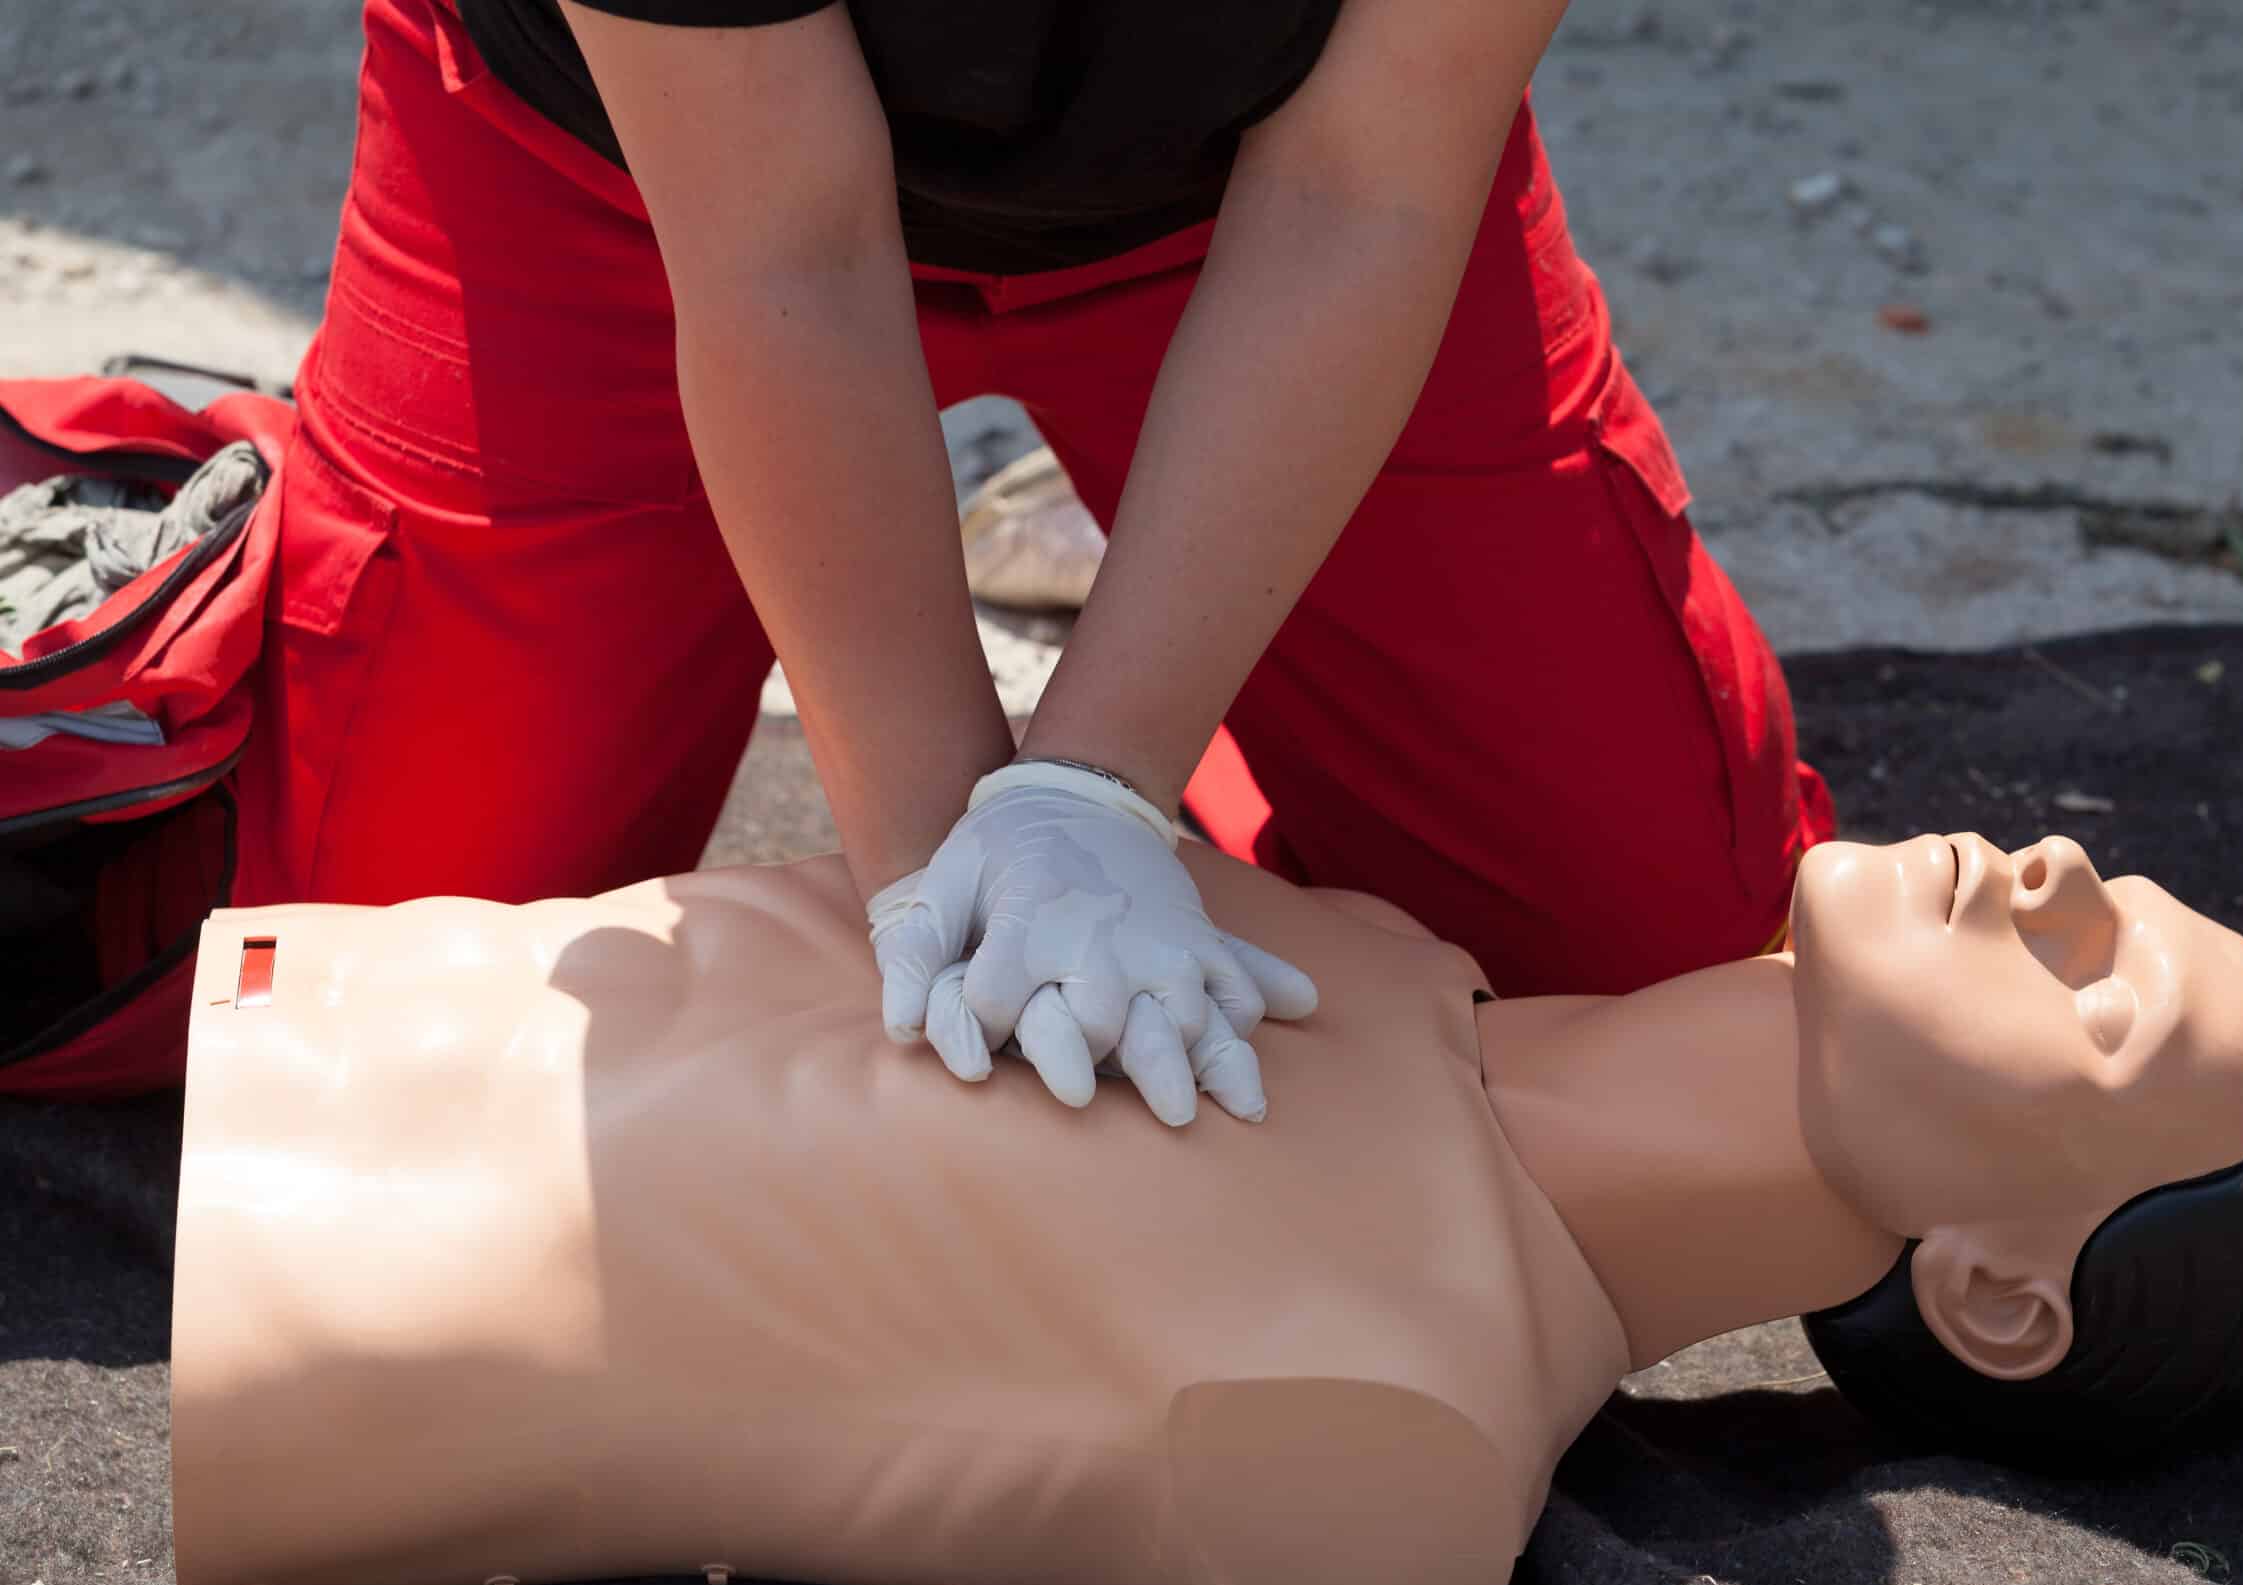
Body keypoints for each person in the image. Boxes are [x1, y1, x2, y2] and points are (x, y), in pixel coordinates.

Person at [171, 830, 2243, 1585]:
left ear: (1994, 1287)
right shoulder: (1406, 961)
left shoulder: (1397, 1450)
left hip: (271, 1310)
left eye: (2103, 994)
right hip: (292, 995)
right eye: (2118, 888)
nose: (2064, 866)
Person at [226, 0, 1833, 1124]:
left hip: (1271, 202)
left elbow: (1368, 185)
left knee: (1645, 951)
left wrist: (1091, 794)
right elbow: (783, 244)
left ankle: (1169, 629)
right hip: (621, 175)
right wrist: (955, 903)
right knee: (361, 991)